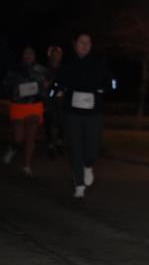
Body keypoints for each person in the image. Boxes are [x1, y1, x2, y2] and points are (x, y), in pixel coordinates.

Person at [56, 32, 112, 198]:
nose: (85, 45)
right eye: (82, 42)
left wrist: (105, 88)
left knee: (91, 149)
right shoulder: (68, 62)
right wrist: (56, 91)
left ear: (91, 45)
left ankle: (88, 165)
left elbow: (111, 81)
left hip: (93, 112)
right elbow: (58, 82)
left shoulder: (99, 62)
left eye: (88, 42)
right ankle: (79, 184)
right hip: (72, 113)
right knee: (75, 148)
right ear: (75, 44)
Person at [3, 46, 49, 176]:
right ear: (22, 55)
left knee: (31, 137)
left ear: (35, 55)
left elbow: (47, 88)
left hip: (34, 105)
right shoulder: (14, 70)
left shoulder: (42, 70)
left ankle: (27, 165)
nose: (28, 55)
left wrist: (46, 87)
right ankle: (13, 147)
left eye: (31, 53)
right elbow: (6, 86)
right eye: (26, 53)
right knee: (19, 138)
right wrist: (15, 90)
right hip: (18, 106)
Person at [43, 45, 66, 158]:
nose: (56, 56)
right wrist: (46, 85)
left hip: (62, 100)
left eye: (58, 54)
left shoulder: (64, 68)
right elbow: (42, 83)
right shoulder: (44, 69)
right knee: (49, 123)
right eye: (54, 54)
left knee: (62, 123)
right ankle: (50, 145)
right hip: (48, 100)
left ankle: (59, 143)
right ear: (50, 55)